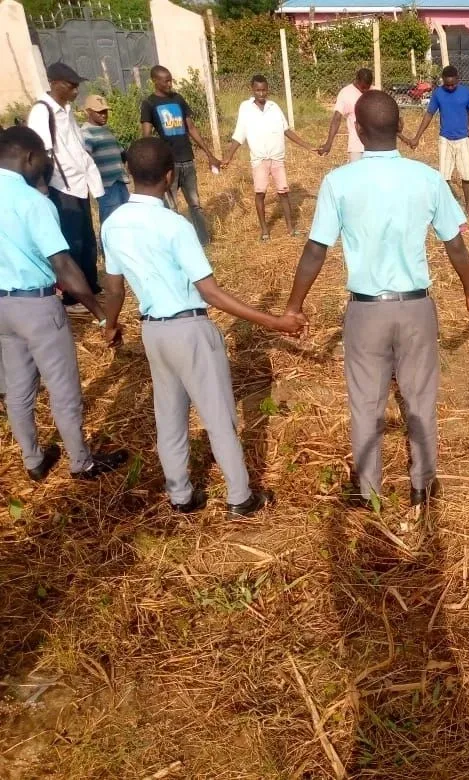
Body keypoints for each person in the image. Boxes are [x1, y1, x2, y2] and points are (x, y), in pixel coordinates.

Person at [284, 90, 469, 514]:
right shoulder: (427, 178)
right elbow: (456, 244)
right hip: (415, 308)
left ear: (356, 130)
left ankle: (370, 492)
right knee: (420, 399)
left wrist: (293, 306)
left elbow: (315, 250)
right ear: (401, 127)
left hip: (365, 310)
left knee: (366, 403)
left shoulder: (339, 181)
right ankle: (423, 487)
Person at [100, 138, 304, 517]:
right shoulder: (175, 225)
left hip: (153, 332)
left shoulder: (113, 224)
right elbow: (210, 292)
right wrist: (273, 321)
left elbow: (113, 287)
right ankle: (240, 497)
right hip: (189, 328)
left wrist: (109, 325)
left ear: (129, 173)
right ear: (169, 175)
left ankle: (181, 496)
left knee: (170, 417)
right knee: (218, 416)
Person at [0, 126, 128, 481]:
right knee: (63, 387)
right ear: (29, 157)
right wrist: (103, 316)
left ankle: (33, 460)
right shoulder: (32, 203)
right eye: (43, 158)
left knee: (19, 388)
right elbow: (63, 266)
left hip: (2, 309)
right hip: (36, 306)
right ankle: (81, 462)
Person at [26, 63, 104, 314]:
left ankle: (91, 288)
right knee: (73, 243)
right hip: (61, 186)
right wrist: (44, 191)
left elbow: (77, 147)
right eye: (71, 86)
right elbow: (42, 153)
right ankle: (73, 298)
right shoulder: (42, 112)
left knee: (88, 240)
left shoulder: (66, 110)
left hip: (79, 184)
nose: (75, 91)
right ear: (55, 83)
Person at [222, 75, 321, 241]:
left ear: (268, 89)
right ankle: (265, 231)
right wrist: (228, 157)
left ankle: (291, 228)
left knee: (283, 192)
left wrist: (309, 146)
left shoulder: (274, 107)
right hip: (259, 159)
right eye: (258, 90)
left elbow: (287, 130)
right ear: (252, 90)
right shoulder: (245, 108)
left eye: (264, 90)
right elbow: (239, 134)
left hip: (277, 158)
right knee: (260, 193)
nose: (261, 93)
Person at [140, 65, 221, 246]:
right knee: (171, 207)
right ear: (155, 81)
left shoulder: (178, 99)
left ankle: (204, 241)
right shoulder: (149, 104)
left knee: (195, 204)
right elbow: (146, 136)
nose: (170, 84)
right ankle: (176, 243)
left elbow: (191, 128)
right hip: (169, 165)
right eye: (166, 80)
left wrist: (209, 154)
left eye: (171, 80)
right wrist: (152, 161)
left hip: (187, 160)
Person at [407, 66, 469, 216]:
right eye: (447, 84)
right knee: (444, 176)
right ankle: (447, 207)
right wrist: (417, 137)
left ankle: (468, 208)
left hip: (463, 140)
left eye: (452, 84)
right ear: (443, 81)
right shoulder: (438, 94)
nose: (450, 87)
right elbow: (428, 116)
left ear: (458, 80)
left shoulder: (466, 93)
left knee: (466, 176)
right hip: (445, 140)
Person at [80, 94, 131, 225]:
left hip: (119, 181)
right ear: (88, 112)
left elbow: (120, 153)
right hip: (106, 185)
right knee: (111, 220)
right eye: (99, 112)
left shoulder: (106, 130)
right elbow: (86, 158)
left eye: (105, 111)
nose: (104, 115)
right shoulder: (86, 133)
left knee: (126, 218)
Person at [320, 68, 374, 162]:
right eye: (363, 87)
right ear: (357, 80)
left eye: (368, 87)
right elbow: (336, 118)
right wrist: (329, 143)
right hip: (357, 147)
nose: (365, 90)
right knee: (357, 175)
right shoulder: (346, 93)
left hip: (376, 146)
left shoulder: (375, 91)